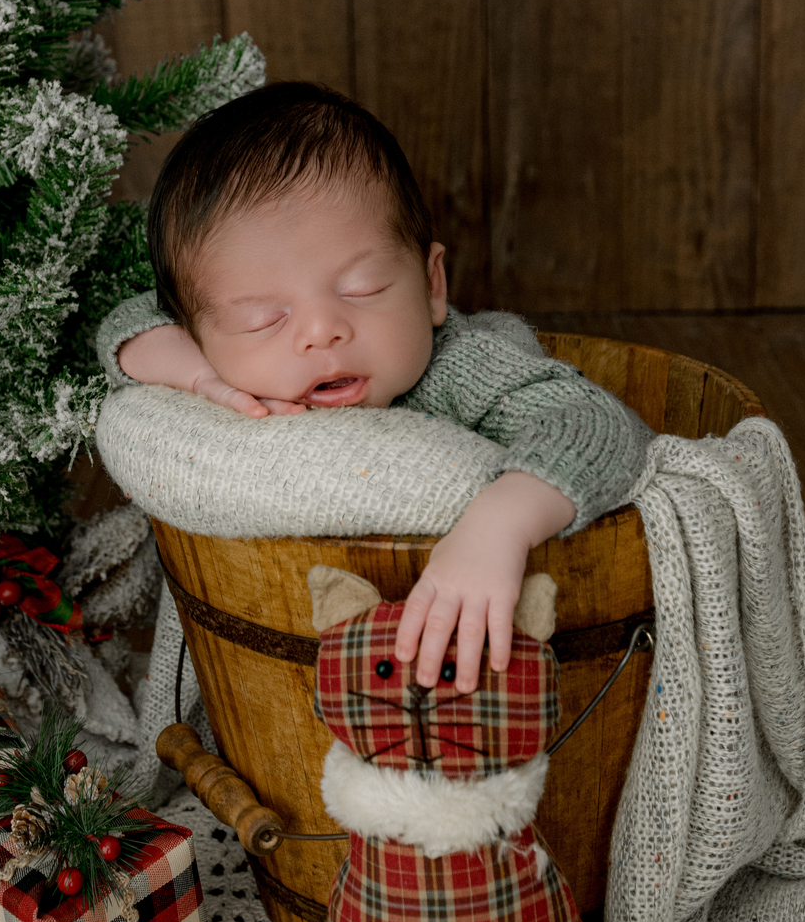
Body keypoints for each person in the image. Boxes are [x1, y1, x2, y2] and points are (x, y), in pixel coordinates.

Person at [97, 83, 650, 694]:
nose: (322, 330)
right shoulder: (218, 367)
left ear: (432, 285)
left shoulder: (467, 365)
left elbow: (599, 428)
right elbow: (126, 329)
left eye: (360, 288)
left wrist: (500, 525)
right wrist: (204, 379)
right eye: (263, 318)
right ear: (198, 335)